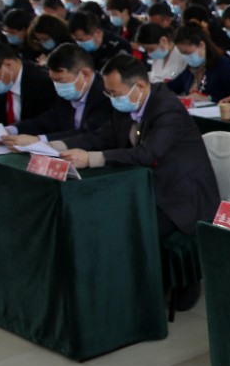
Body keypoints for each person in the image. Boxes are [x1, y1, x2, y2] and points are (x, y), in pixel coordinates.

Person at [59, 54, 219, 313]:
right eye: (108, 93)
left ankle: (168, 284)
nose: (111, 98)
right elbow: (102, 136)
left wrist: (92, 159)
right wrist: (55, 145)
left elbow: (147, 153)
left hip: (181, 195)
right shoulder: (127, 105)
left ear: (140, 87)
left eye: (115, 93)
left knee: (131, 222)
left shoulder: (167, 107)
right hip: (144, 186)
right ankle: (121, 288)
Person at [2, 44, 113, 146]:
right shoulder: (68, 93)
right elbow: (48, 120)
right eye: (54, 81)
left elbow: (89, 133)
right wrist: (11, 130)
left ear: (85, 74)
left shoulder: (107, 94)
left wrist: (39, 140)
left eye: (61, 80)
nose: (57, 86)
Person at [167, 24, 230, 103]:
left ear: (202, 45)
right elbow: (170, 88)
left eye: (188, 52)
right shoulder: (190, 70)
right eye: (182, 54)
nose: (186, 57)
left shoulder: (225, 66)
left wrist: (208, 99)